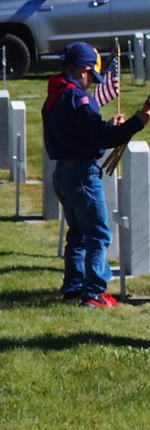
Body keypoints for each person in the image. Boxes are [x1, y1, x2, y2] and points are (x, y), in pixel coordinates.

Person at [42, 41, 150, 307]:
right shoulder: (79, 98)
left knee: (78, 233)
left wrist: (106, 128)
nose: (92, 83)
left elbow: (85, 133)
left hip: (63, 174)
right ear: (83, 71)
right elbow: (100, 137)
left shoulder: (55, 94)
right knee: (99, 234)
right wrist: (141, 119)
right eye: (92, 76)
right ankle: (93, 294)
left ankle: (73, 289)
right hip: (82, 175)